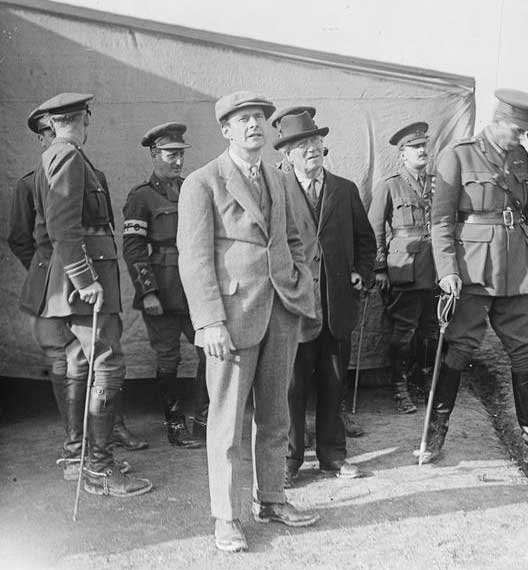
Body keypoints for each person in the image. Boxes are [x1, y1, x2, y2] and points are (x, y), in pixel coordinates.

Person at [177, 92, 320, 553]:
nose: (255, 125)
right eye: (244, 119)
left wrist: (299, 286)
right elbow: (195, 260)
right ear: (226, 130)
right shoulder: (203, 182)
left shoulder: (279, 180)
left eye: (260, 118)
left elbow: (295, 238)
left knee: (276, 413)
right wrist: (209, 322)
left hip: (279, 312)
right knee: (226, 423)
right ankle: (226, 517)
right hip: (233, 320)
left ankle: (273, 499)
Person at [426, 89, 528, 467]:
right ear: (498, 122)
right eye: (517, 131)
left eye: (527, 132)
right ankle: (435, 433)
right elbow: (442, 220)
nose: (522, 138)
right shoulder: (458, 154)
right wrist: (447, 271)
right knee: (460, 348)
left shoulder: (522, 158)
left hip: (515, 270)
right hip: (473, 269)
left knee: (524, 351)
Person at [32, 92, 153, 496]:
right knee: (107, 363)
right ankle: (100, 469)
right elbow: (62, 228)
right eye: (86, 116)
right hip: (85, 281)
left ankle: (80, 458)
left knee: (82, 362)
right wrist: (85, 280)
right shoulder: (67, 155)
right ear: (82, 117)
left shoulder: (61, 154)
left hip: (81, 277)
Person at [273, 111, 376, 487]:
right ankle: (289, 460)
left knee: (334, 384)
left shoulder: (344, 189)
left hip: (336, 307)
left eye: (315, 143)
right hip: (295, 308)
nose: (312, 150)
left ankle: (333, 456)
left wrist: (361, 274)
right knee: (292, 388)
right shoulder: (277, 189)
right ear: (288, 155)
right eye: (303, 146)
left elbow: (366, 241)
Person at [10, 107, 90, 480]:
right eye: (44, 133)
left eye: (51, 131)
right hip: (52, 285)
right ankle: (77, 449)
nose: (49, 138)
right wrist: (44, 268)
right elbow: (20, 238)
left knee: (83, 359)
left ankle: (88, 440)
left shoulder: (76, 166)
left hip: (62, 281)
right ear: (40, 136)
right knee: (70, 359)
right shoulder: (30, 181)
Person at [122, 122, 206, 449]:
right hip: (162, 288)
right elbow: (133, 249)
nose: (177, 161)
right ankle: (174, 423)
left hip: (194, 287)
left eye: (180, 154)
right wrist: (148, 292)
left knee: (210, 353)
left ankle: (203, 417)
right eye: (170, 155)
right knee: (169, 358)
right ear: (155, 155)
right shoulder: (141, 197)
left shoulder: (191, 189)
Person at [368, 121, 439, 415]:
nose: (422, 150)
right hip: (404, 268)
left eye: (424, 145)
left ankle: (423, 383)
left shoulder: (439, 184)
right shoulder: (390, 185)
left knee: (432, 330)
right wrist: (380, 268)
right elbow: (375, 229)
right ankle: (399, 388)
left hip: (436, 268)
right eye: (415, 147)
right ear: (402, 154)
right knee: (404, 332)